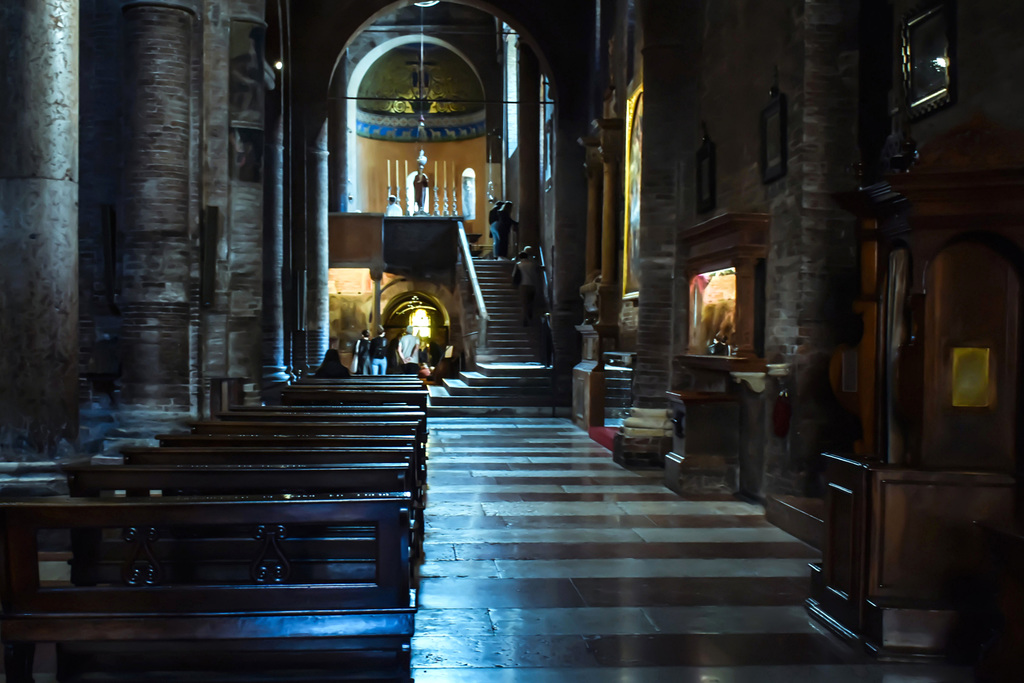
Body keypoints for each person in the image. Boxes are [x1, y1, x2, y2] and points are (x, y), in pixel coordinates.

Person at [512, 245, 542, 326]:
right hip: (532, 285)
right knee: (531, 302)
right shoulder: (532, 264)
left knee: (524, 303)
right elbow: (538, 272)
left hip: (523, 285)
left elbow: (515, 275)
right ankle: (530, 316)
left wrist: (515, 285)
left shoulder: (519, 265)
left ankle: (525, 320)